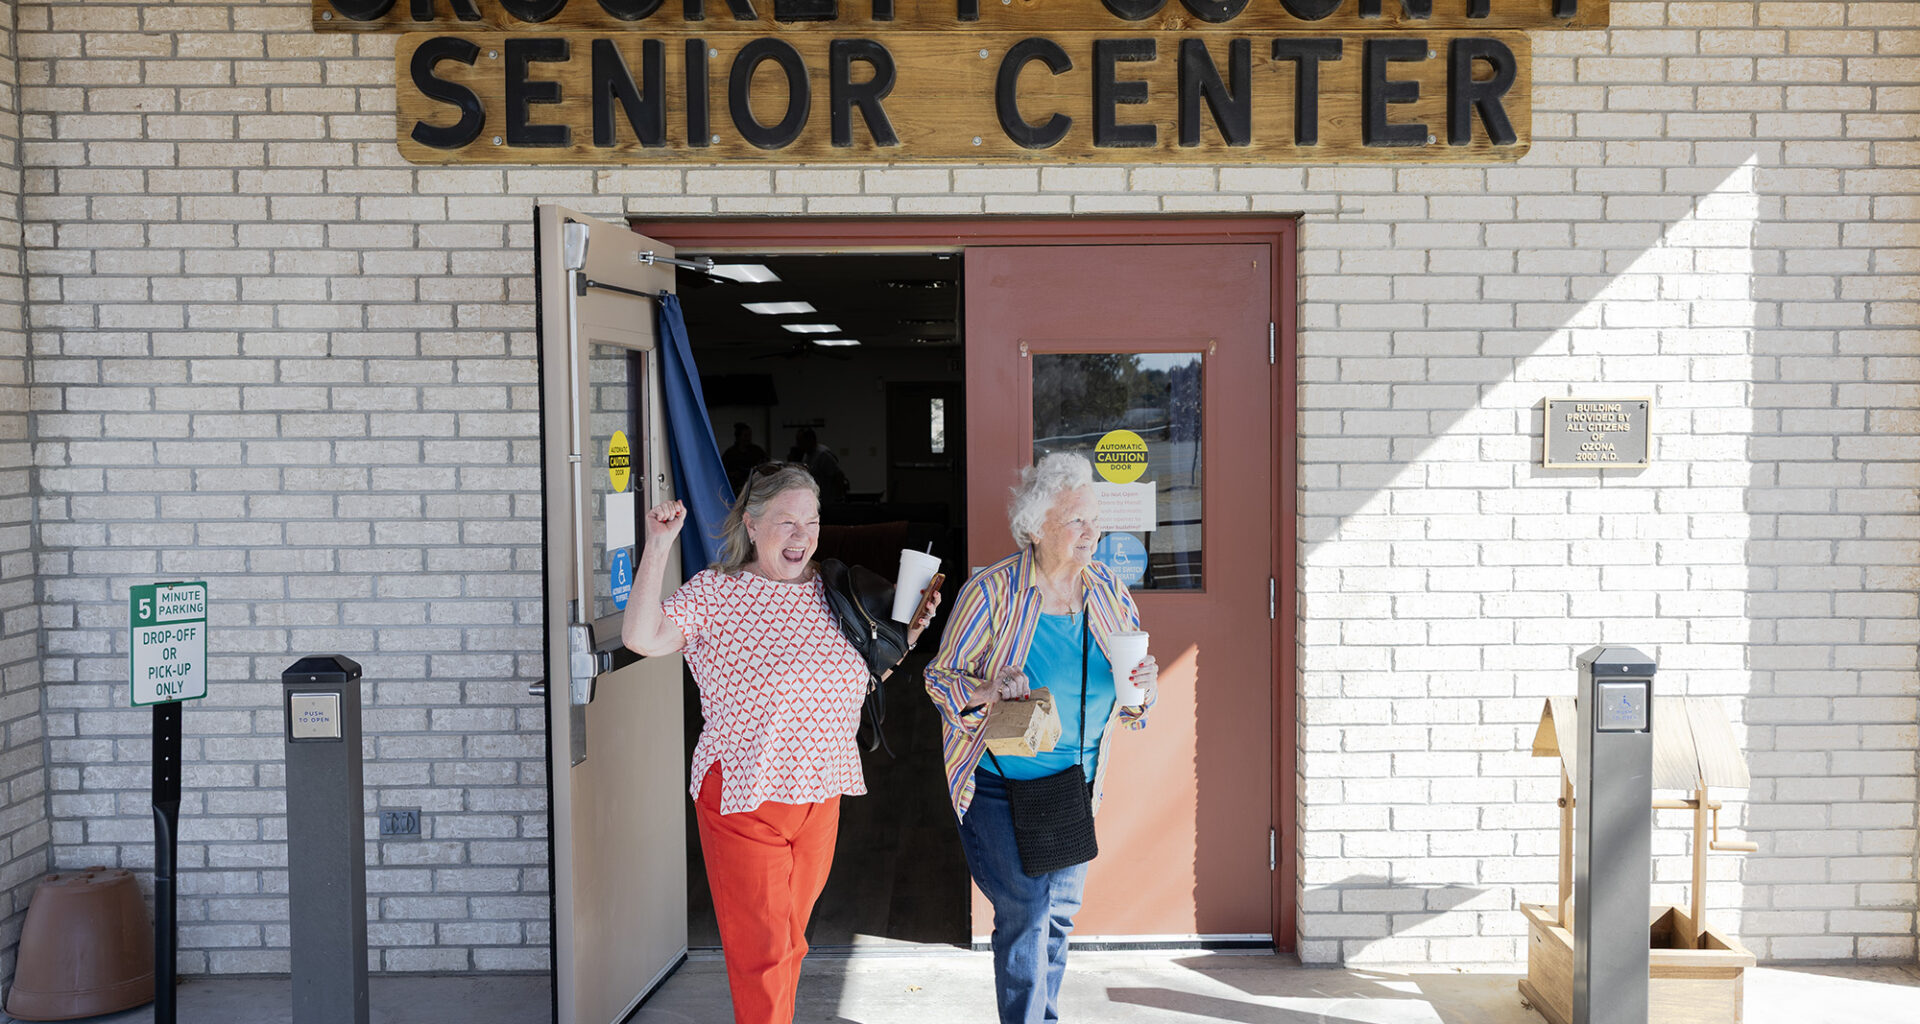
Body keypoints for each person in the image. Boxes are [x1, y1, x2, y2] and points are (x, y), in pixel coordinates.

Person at [622, 464, 939, 1024]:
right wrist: (658, 546)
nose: (802, 535)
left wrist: (906, 637)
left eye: (811, 521)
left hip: (822, 795)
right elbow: (641, 637)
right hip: (744, 796)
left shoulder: (836, 588)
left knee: (790, 944)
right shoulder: (716, 592)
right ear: (751, 523)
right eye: (786, 522)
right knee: (764, 957)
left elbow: (857, 680)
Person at [923, 452, 1159, 1024]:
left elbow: (1133, 696)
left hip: (1074, 789)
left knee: (1057, 917)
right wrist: (986, 688)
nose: (1092, 532)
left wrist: (1144, 689)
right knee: (1027, 914)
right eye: (1077, 519)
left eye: (1095, 519)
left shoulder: (1107, 591)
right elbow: (940, 679)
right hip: (1002, 785)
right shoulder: (992, 592)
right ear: (1036, 526)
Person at [790, 427, 849, 503]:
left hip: (827, 500)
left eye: (801, 441)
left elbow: (838, 476)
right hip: (815, 498)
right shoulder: (807, 455)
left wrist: (839, 498)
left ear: (811, 440)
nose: (798, 445)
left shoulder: (823, 455)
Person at [721, 421, 769, 495]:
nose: (748, 438)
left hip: (755, 488)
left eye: (750, 435)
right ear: (738, 437)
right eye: (745, 435)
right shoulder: (730, 454)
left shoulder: (757, 451)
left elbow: (766, 466)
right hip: (736, 490)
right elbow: (723, 473)